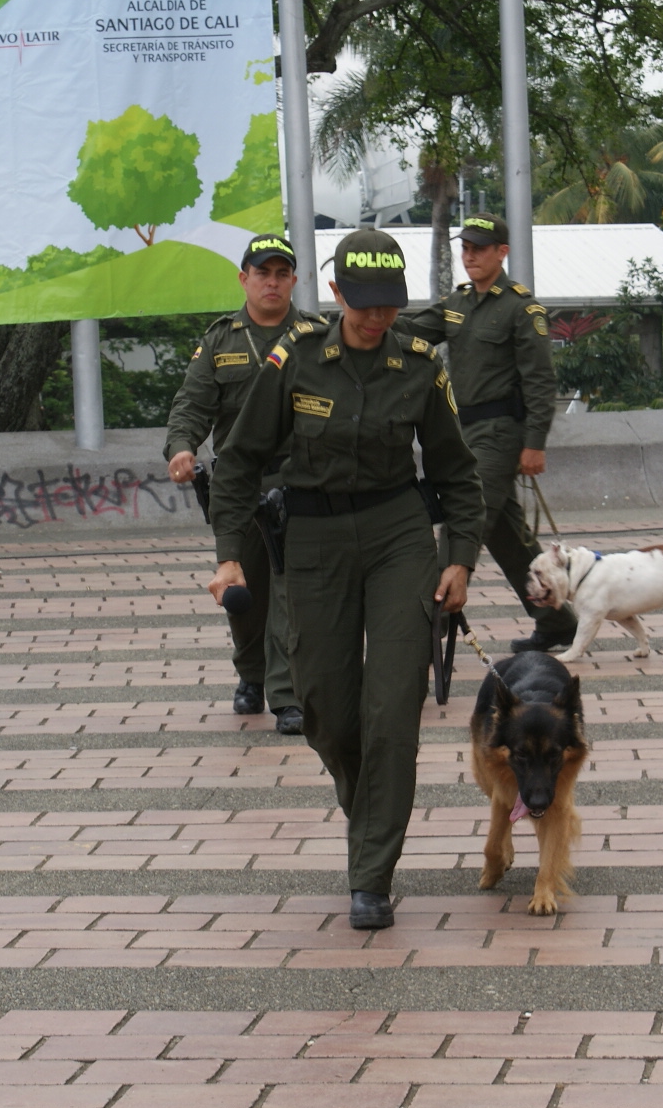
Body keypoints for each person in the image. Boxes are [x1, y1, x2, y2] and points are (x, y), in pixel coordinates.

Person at [207, 229, 485, 931]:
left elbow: (456, 472)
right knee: (324, 707)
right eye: (363, 305)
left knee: (392, 711)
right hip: (314, 539)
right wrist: (229, 555)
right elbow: (239, 460)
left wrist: (458, 559)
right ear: (336, 295)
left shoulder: (420, 365)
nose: (377, 318)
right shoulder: (294, 357)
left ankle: (371, 876)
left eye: (389, 305)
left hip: (398, 536)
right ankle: (371, 820)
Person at [164, 233, 322, 733]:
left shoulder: (317, 336)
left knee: (290, 591)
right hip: (239, 485)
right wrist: (182, 447)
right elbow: (191, 405)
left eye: (281, 274)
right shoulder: (221, 340)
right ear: (244, 279)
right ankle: (251, 673)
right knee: (243, 592)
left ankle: (287, 694)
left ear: (294, 280)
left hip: (300, 481)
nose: (272, 283)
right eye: (262, 273)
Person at [397, 212, 575, 653]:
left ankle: (429, 625)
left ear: (502, 252)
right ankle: (556, 621)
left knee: (464, 515)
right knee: (504, 533)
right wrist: (364, 314)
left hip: (502, 432)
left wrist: (534, 444)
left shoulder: (521, 309)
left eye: (479, 248)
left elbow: (540, 382)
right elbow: (411, 331)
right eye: (466, 248)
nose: (470, 255)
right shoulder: (457, 303)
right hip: (466, 429)